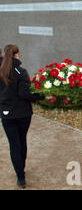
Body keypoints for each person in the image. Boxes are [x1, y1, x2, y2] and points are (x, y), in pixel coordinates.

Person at [0, 44, 44, 188]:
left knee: (14, 145)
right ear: (16, 54)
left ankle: (20, 176)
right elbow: (24, 94)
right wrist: (41, 96)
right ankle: (22, 169)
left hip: (7, 114)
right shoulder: (21, 71)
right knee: (21, 141)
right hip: (23, 114)